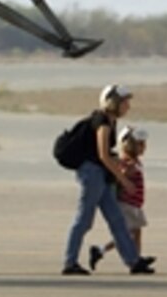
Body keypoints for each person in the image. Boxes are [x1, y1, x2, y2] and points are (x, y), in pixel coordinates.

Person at [62, 84, 155, 275]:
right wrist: (124, 180)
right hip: (92, 174)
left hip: (102, 174)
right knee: (84, 220)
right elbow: (103, 154)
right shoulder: (102, 121)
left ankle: (134, 262)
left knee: (117, 220)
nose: (128, 106)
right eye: (125, 102)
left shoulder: (110, 122)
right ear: (114, 102)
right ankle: (70, 262)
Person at [89, 126, 150, 271]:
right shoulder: (127, 162)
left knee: (135, 232)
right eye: (140, 145)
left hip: (134, 204)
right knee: (127, 234)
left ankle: (136, 258)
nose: (143, 148)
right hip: (127, 204)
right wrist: (127, 173)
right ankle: (103, 251)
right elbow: (120, 177)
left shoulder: (135, 162)